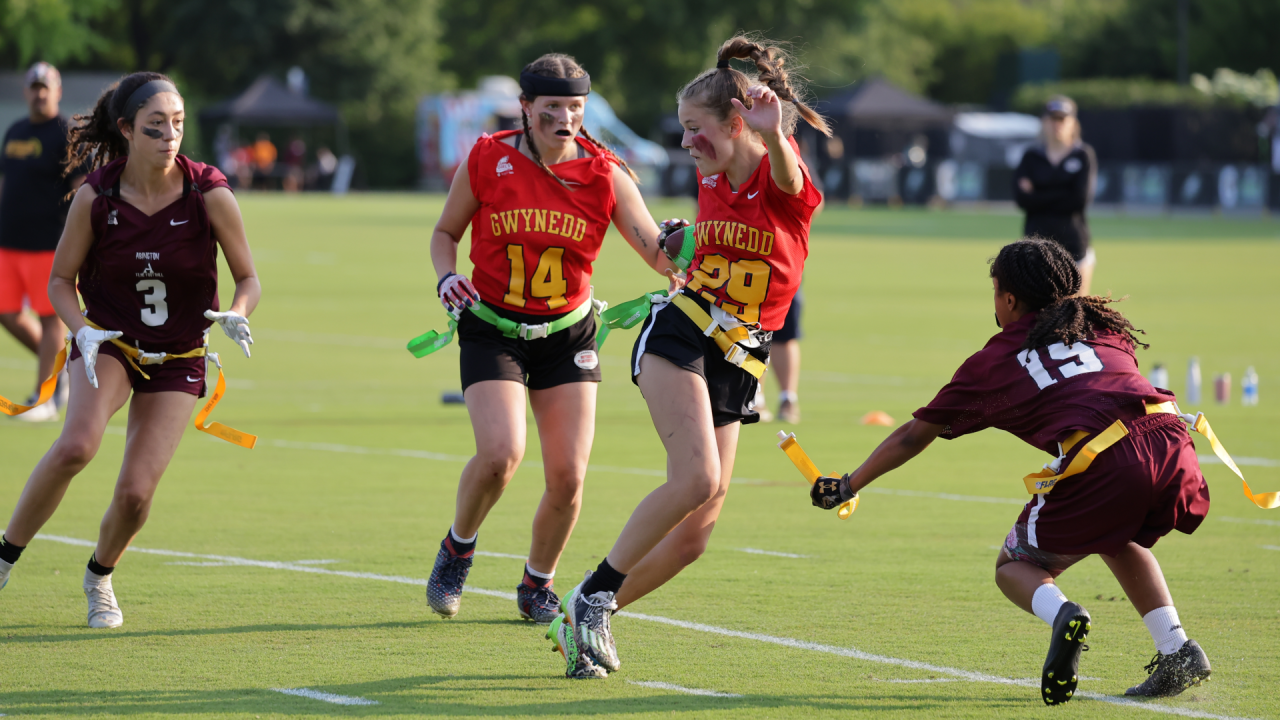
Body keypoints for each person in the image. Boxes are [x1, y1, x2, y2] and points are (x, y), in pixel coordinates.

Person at [810, 238, 1216, 704]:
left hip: (1107, 460)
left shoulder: (994, 361)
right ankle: (1177, 649)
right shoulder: (1100, 323)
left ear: (1008, 299)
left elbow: (911, 436)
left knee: (1014, 566)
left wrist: (848, 484)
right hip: (1170, 439)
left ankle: (1064, 615)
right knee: (1115, 533)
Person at [547, 36, 830, 679]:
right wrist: (685, 239)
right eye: (683, 129)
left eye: (694, 128)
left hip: (740, 354)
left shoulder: (780, 174)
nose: (685, 143)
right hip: (683, 332)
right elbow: (719, 238)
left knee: (698, 532)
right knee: (696, 477)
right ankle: (592, 596)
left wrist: (774, 133)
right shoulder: (710, 172)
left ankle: (587, 616)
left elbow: (783, 178)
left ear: (737, 123)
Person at [0, 72, 261, 629]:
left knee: (137, 494)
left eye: (178, 124)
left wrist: (238, 311)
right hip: (111, 344)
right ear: (125, 130)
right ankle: (3, 557)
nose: (171, 136)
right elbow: (58, 281)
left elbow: (248, 278)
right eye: (156, 126)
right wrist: (82, 328)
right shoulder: (96, 197)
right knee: (75, 446)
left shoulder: (208, 191)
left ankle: (99, 576)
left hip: (180, 356)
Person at [423, 54, 676, 626]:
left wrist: (685, 248)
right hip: (493, 326)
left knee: (568, 476)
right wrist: (446, 276)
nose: (565, 118)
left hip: (567, 334)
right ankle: (457, 548)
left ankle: (538, 582)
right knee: (500, 455)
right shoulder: (488, 156)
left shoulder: (606, 173)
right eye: (552, 108)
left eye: (575, 108)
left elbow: (656, 251)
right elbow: (445, 232)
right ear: (526, 109)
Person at [0, 62, 86, 421]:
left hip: (49, 243)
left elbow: (82, 190)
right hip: (9, 242)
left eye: (45, 87)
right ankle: (57, 369)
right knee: (6, 313)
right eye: (34, 87)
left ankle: (46, 398)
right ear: (27, 91)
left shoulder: (67, 133)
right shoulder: (16, 130)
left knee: (51, 318)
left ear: (58, 91)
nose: (39, 93)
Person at [1014, 96, 1098, 295]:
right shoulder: (1031, 157)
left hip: (1073, 243)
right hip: (1036, 245)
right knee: (1039, 314)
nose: (1056, 125)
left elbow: (1079, 200)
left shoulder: (1082, 155)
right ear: (1044, 122)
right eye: (1052, 119)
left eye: (1062, 119)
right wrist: (1062, 191)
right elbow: (1021, 199)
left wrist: (1038, 194)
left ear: (1072, 123)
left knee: (1075, 311)